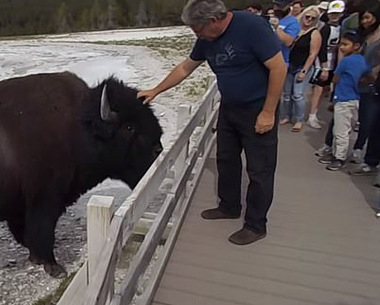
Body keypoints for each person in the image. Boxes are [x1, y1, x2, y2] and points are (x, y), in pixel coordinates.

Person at [138, 0, 286, 245]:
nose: (196, 34)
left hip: (258, 108)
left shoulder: (251, 27)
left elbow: (278, 68)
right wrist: (156, 90)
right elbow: (187, 67)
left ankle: (256, 225)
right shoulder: (206, 38)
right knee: (226, 158)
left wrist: (268, 112)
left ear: (214, 20)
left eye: (197, 29)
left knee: (259, 169)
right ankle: (229, 206)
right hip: (230, 107)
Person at [324, 31, 370, 170]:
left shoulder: (346, 61)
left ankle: (339, 157)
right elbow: (367, 77)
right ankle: (337, 153)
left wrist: (332, 93)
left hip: (343, 99)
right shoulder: (364, 61)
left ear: (356, 46)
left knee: (340, 131)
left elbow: (336, 78)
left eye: (345, 44)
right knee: (346, 129)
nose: (342, 47)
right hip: (356, 99)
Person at [280, 6, 323, 132]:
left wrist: (304, 71)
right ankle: (286, 116)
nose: (309, 19)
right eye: (307, 16)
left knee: (298, 95)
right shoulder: (296, 29)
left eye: (312, 18)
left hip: (302, 66)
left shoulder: (315, 33)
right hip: (289, 64)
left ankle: (298, 119)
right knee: (287, 94)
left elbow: (313, 54)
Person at [350, 3, 380, 174]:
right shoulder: (363, 35)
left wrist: (371, 73)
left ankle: (363, 151)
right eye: (363, 17)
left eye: (368, 17)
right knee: (362, 117)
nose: (364, 21)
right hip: (359, 79)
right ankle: (369, 158)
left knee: (370, 119)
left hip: (373, 81)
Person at [308, 0, 344, 129]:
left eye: (337, 14)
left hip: (333, 62)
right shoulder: (325, 28)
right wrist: (324, 67)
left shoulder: (340, 28)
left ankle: (315, 114)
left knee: (324, 90)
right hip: (322, 62)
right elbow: (321, 48)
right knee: (318, 89)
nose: (334, 16)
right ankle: (312, 115)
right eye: (332, 13)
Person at [270, 0, 301, 66]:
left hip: (280, 62)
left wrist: (277, 27)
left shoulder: (293, 22)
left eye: (281, 6)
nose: (277, 8)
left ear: (289, 6)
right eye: (276, 5)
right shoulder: (270, 17)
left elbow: (288, 42)